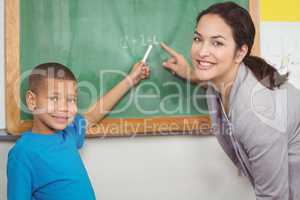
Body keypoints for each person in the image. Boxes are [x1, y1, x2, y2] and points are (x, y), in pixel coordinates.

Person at [161, 2, 300, 199]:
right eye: (197, 39)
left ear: (240, 52)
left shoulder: (258, 114)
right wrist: (190, 74)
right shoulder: (222, 80)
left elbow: (274, 196)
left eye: (217, 43)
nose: (201, 51)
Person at [7, 61, 150, 200]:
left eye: (71, 99)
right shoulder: (23, 153)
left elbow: (93, 114)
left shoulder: (69, 133)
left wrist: (131, 79)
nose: (64, 108)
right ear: (32, 101)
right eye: (54, 98)